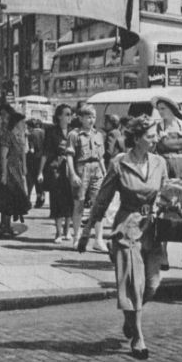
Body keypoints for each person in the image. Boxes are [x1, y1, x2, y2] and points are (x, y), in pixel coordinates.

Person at [79, 115, 168, 359]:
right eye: (150, 136)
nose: (155, 139)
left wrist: (168, 202)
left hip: (152, 228)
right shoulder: (119, 163)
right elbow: (103, 199)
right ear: (137, 138)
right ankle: (138, 336)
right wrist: (86, 232)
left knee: (152, 284)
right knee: (135, 284)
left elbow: (166, 191)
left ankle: (130, 317)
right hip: (127, 228)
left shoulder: (160, 162)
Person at [151, 95, 182, 271]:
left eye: (163, 109)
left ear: (172, 109)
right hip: (165, 174)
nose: (161, 112)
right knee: (164, 215)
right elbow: (152, 150)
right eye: (159, 109)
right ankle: (163, 254)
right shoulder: (157, 128)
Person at [66, 104, 106, 251]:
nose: (91, 120)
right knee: (79, 204)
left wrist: (105, 173)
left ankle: (98, 239)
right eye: (88, 117)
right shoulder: (74, 135)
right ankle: (77, 237)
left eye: (93, 117)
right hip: (81, 169)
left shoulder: (98, 135)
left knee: (99, 205)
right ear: (81, 118)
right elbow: (69, 156)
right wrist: (73, 174)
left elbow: (101, 157)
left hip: (97, 170)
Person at [37, 104, 74, 243]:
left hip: (70, 170)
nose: (70, 117)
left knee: (70, 200)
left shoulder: (73, 131)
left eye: (70, 114)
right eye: (67, 114)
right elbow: (45, 153)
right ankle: (58, 232)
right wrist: (40, 172)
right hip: (56, 169)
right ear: (59, 116)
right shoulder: (51, 132)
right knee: (57, 200)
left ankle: (67, 230)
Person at [0, 112, 30, 236]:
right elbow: (3, 156)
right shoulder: (7, 136)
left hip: (16, 170)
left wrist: (23, 169)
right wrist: (4, 174)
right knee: (7, 198)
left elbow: (22, 155)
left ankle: (7, 225)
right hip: (9, 170)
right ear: (16, 123)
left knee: (12, 198)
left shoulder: (19, 137)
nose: (24, 125)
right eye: (22, 122)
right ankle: (4, 226)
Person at [26, 119, 46, 208]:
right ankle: (40, 197)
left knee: (30, 180)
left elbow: (31, 149)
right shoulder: (44, 133)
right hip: (43, 159)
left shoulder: (31, 135)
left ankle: (28, 200)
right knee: (40, 181)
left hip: (33, 160)